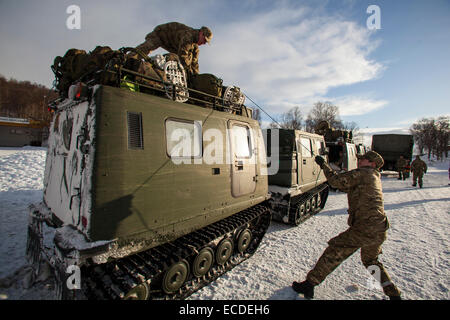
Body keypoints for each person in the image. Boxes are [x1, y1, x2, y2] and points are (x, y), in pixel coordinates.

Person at [292, 151, 401, 300]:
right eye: (360, 158)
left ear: (373, 163)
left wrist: (323, 165)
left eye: (364, 159)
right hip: (379, 228)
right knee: (371, 261)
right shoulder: (374, 175)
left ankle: (310, 284)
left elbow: (336, 181)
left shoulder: (364, 173)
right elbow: (347, 183)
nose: (360, 160)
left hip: (365, 228)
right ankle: (393, 293)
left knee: (334, 251)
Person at [132, 22, 212, 76]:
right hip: (160, 35)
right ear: (201, 33)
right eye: (204, 40)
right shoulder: (188, 35)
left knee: (189, 57)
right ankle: (127, 60)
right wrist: (187, 72)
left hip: (171, 44)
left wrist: (195, 76)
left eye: (206, 42)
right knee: (146, 48)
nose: (204, 43)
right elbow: (182, 55)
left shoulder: (195, 48)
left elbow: (195, 64)